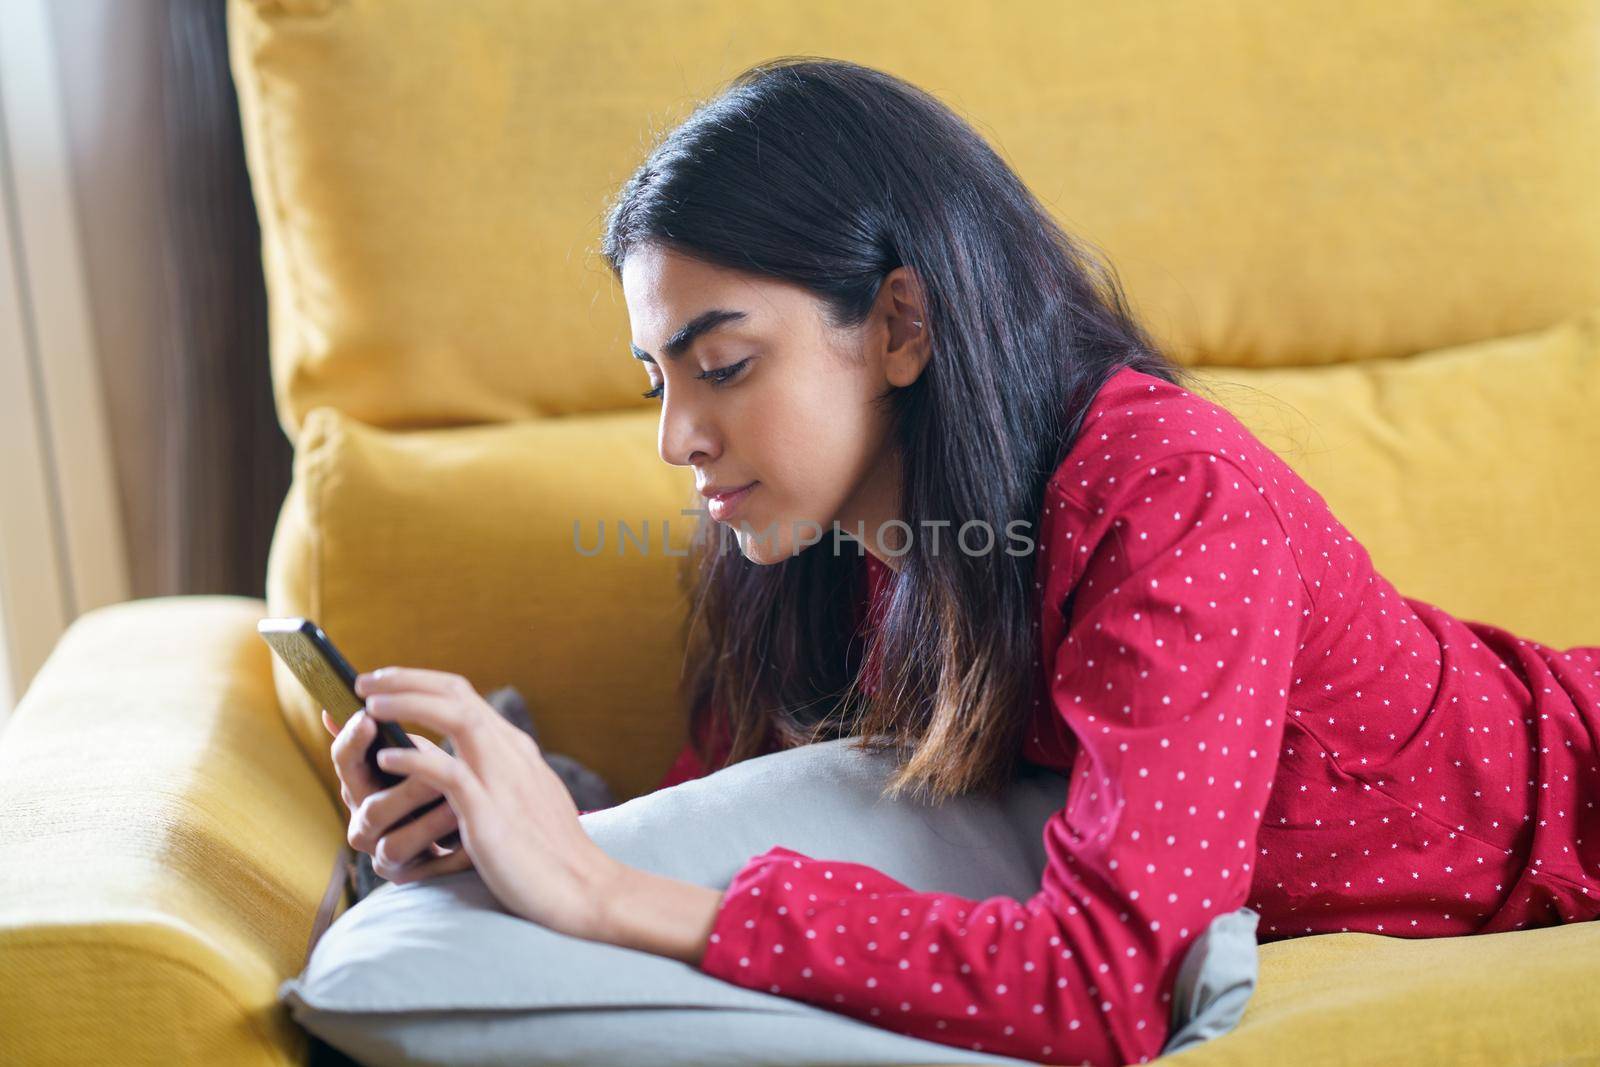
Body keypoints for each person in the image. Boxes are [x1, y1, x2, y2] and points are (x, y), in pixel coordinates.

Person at [327, 56, 1600, 1067]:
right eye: (657, 380)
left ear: (898, 324)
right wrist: (509, 820)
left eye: (722, 367)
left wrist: (604, 890)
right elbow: (726, 794)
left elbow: (1109, 984)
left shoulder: (1170, 496)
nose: (675, 437)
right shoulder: (819, 534)